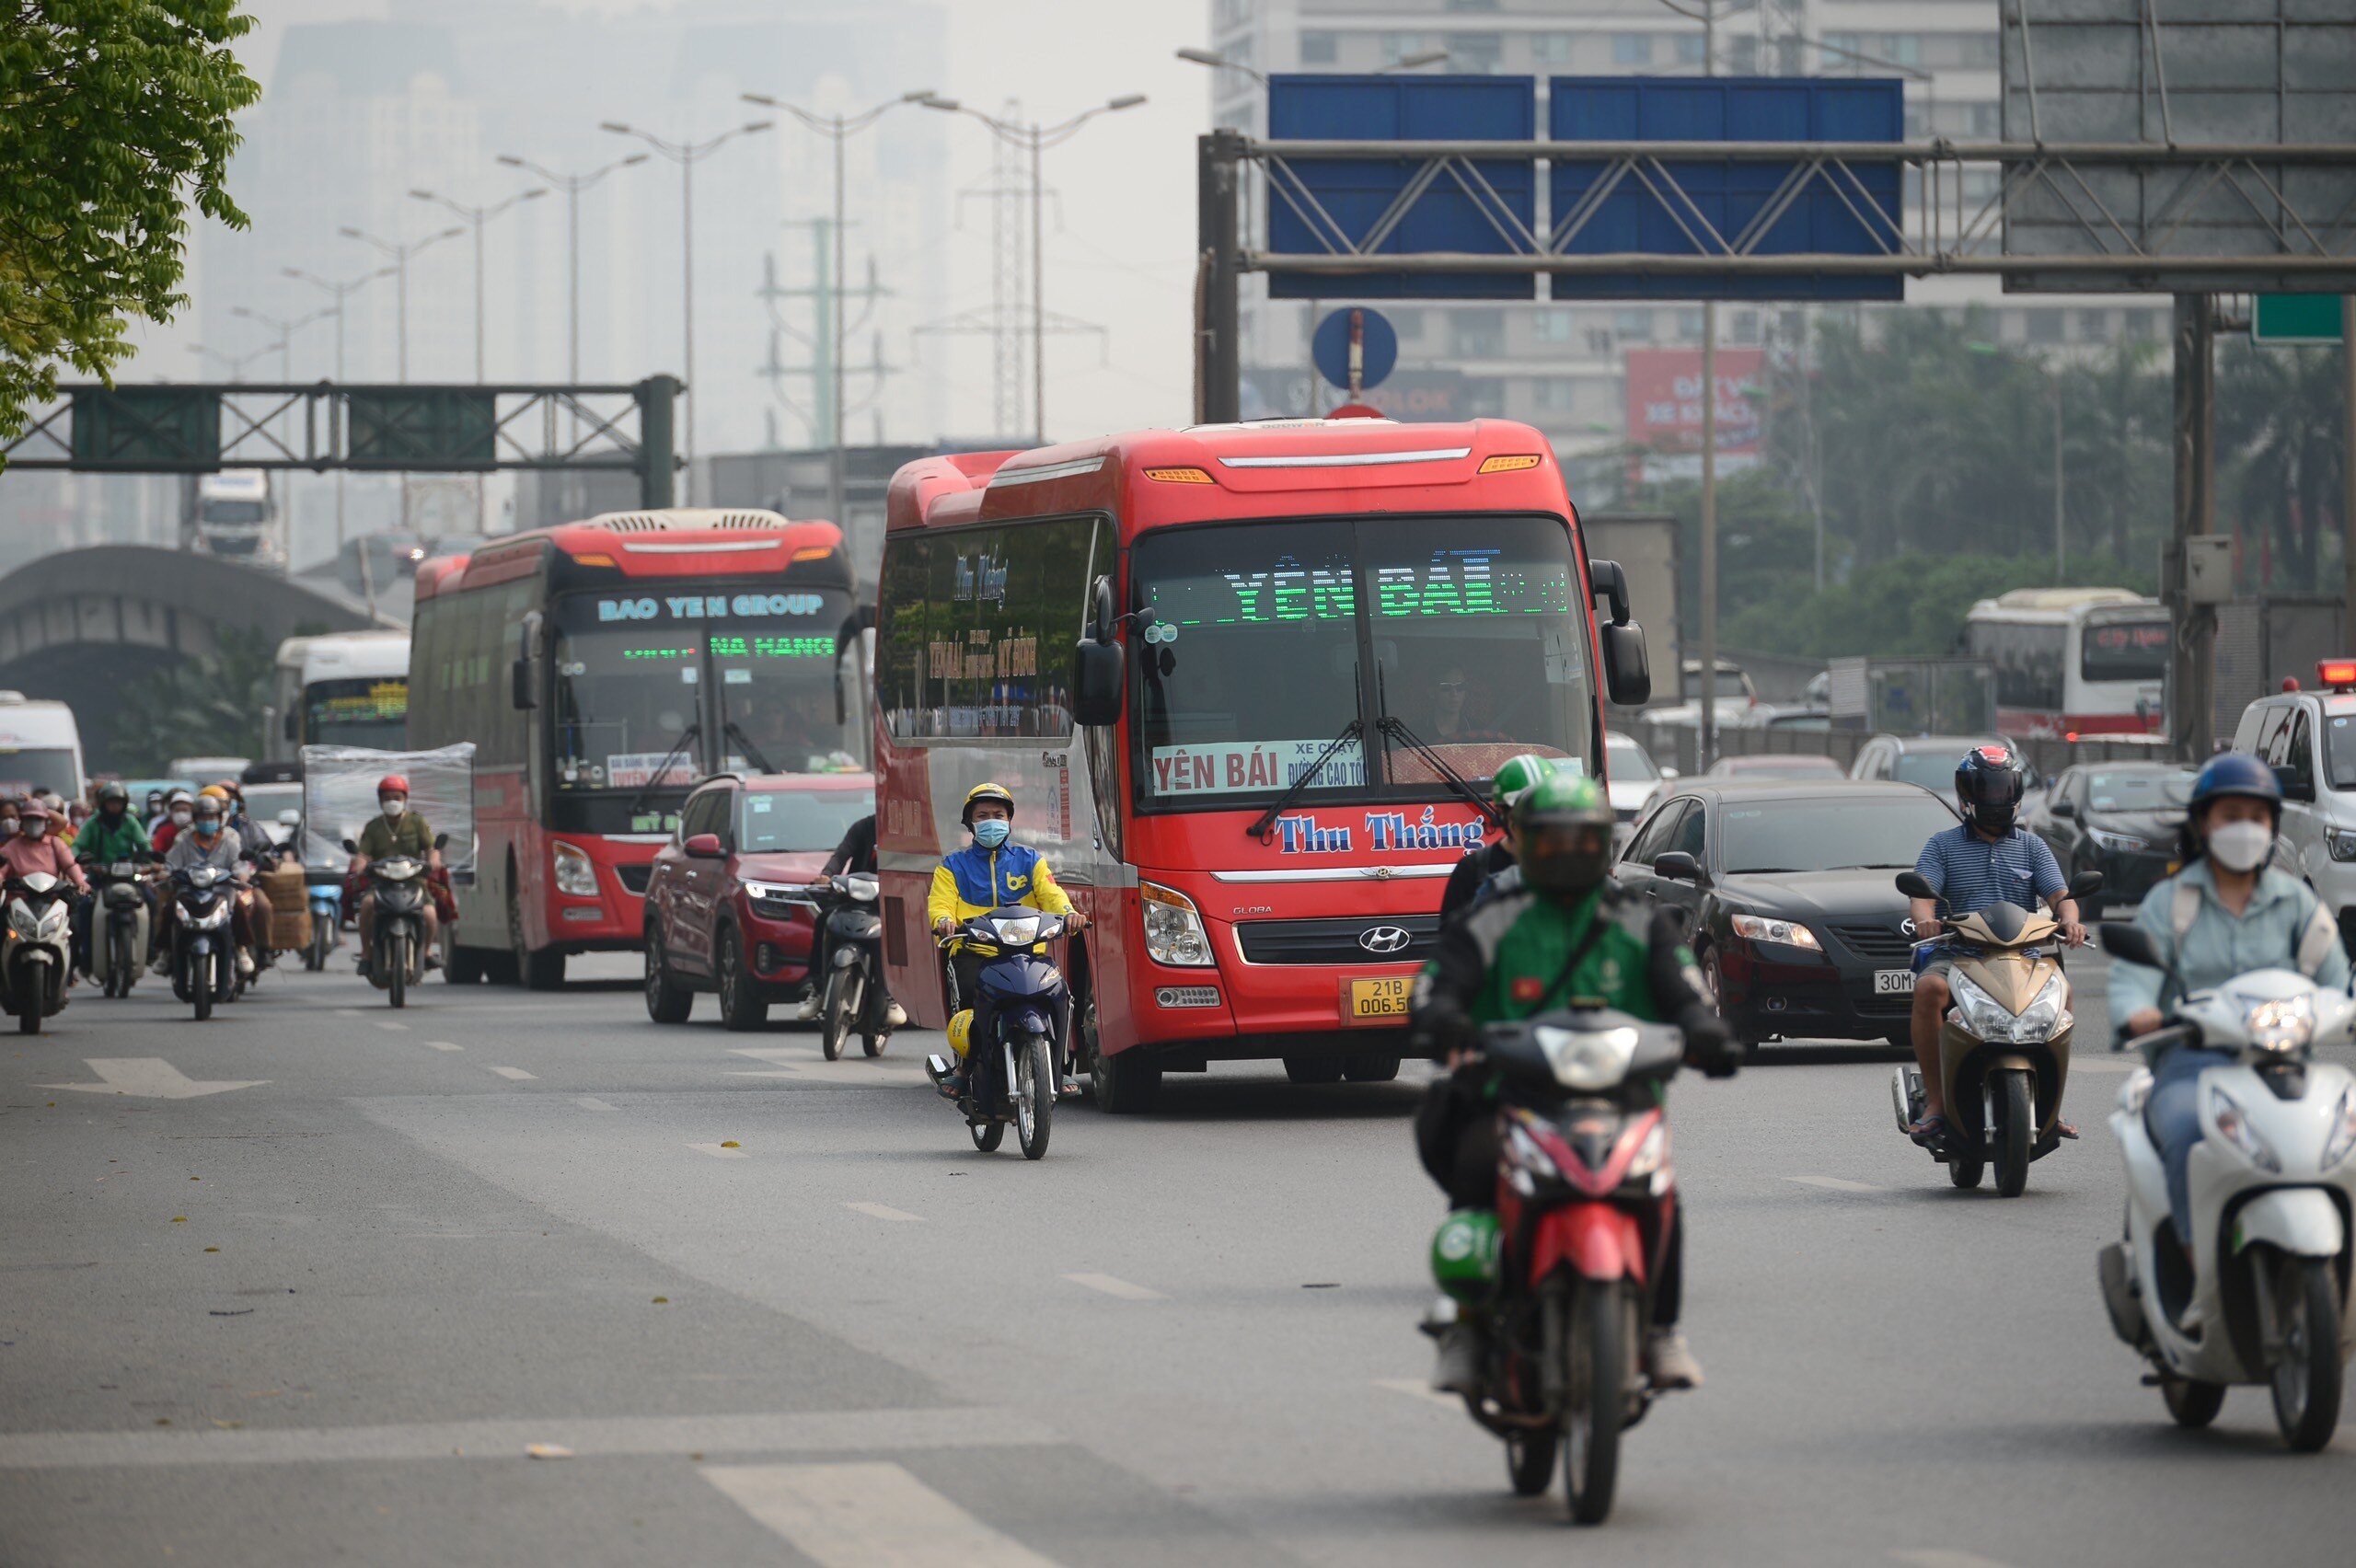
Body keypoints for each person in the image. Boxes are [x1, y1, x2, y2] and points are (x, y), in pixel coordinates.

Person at [1409, 771, 1738, 1394]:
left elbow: (1686, 989)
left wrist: (1706, 1031)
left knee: (1661, 1195)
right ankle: (1466, 1323)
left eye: (1580, 840)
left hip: (1623, 1096)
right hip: (1512, 1094)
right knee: (1477, 1166)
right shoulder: (1493, 917)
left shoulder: (1638, 921)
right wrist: (1444, 1019)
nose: (1566, 853)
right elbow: (1438, 982)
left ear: (1602, 845)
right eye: (1551, 840)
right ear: (1526, 842)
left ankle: (1662, 1332)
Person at [2109, 754, 2348, 1314]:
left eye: (2256, 817)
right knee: (2189, 1133)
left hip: (2286, 1063)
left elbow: (2337, 980)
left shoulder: (2296, 901)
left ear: (2272, 826)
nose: (2244, 828)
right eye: (2230, 815)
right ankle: (2200, 1281)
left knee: (2343, 1133)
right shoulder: (2171, 903)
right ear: (2203, 824)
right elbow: (2132, 984)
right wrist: (2140, 1013)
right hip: (2192, 1065)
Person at [1901, 745, 2086, 1146]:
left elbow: (2062, 897)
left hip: (2022, 956)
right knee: (1929, 988)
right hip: (1958, 955)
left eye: (2004, 789)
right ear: (1967, 794)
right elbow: (1922, 896)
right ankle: (1937, 1102)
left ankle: (2050, 1105)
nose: (1996, 798)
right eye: (1987, 789)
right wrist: (1925, 921)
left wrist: (2071, 920)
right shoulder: (1942, 845)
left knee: (2064, 991)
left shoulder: (2032, 847)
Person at [926, 784, 1087, 1099]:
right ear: (970, 823)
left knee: (1060, 994)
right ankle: (964, 1067)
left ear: (1009, 820)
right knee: (970, 999)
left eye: (998, 815)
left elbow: (1052, 895)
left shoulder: (1031, 860)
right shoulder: (952, 866)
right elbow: (940, 903)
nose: (991, 821)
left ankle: (1058, 1066)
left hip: (1027, 952)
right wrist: (943, 921)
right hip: (975, 951)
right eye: (982, 815)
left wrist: (1069, 914)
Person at [793, 812, 906, 1029]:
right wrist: (827, 875)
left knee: (898, 927)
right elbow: (841, 855)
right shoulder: (863, 827)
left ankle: (893, 995)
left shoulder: (904, 831)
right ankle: (817, 989)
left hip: (888, 902)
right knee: (824, 919)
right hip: (853, 899)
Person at [1438, 754, 1552, 924]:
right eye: (1525, 811)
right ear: (1501, 813)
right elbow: (1452, 937)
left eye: (1546, 810)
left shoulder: (1573, 868)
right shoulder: (1471, 872)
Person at [349, 774, 439, 975]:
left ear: (405, 799)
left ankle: (426, 951)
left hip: (414, 882)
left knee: (430, 914)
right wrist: (360, 865)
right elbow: (363, 854)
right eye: (387, 798)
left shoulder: (417, 822)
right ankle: (366, 954)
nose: (392, 802)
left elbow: (431, 849)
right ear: (380, 801)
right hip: (381, 883)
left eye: (397, 798)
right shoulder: (373, 827)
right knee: (367, 905)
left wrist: (433, 861)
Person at [162, 794, 259, 978]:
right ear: (195, 819)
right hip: (190, 891)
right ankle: (165, 952)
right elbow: (171, 864)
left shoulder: (229, 841)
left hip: (222, 891)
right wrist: (165, 873)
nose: (207, 821)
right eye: (203, 817)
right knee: (170, 909)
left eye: (211, 817)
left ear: (219, 818)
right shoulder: (184, 840)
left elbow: (238, 865)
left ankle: (241, 949)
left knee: (239, 908)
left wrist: (241, 875)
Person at [72, 782, 154, 978]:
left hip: (129, 877)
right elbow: (77, 845)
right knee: (84, 907)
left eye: (118, 802)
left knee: (151, 900)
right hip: (100, 878)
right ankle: (86, 957)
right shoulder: (93, 823)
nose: (115, 806)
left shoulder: (130, 822)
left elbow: (144, 844)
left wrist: (151, 861)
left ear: (124, 804)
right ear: (103, 804)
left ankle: (150, 951)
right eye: (111, 802)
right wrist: (75, 859)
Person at [151, 790, 195, 856]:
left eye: (184, 810)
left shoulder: (198, 831)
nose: (181, 814)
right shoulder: (164, 831)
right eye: (177, 810)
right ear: (171, 813)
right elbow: (156, 851)